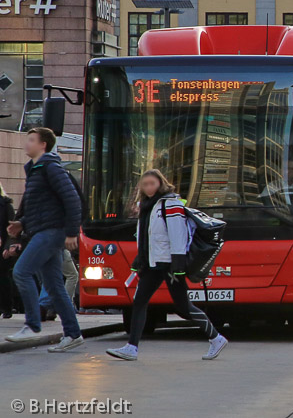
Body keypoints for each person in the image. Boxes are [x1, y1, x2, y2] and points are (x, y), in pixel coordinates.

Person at [106, 170, 227, 361]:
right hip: (153, 263)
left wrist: (178, 264)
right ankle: (132, 347)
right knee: (139, 302)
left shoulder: (170, 204)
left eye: (152, 184)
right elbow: (146, 236)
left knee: (183, 307)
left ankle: (216, 338)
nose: (148, 188)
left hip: (169, 264)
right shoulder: (146, 206)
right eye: (144, 184)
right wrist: (141, 258)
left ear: (160, 184)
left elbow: (177, 235)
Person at [4, 128, 84, 351]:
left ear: (43, 145)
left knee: (21, 271)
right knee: (55, 286)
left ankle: (31, 324)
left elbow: (72, 200)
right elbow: (44, 207)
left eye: (31, 140)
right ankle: (73, 333)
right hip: (44, 229)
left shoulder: (50, 167)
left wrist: (71, 233)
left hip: (52, 232)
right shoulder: (35, 170)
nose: (26, 143)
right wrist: (22, 223)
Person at [0, 183, 15, 318]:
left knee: (3, 276)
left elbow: (11, 229)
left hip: (3, 247)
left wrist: (7, 246)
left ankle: (6, 307)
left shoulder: (6, 206)